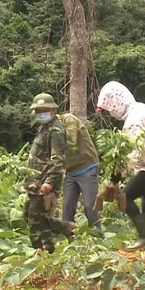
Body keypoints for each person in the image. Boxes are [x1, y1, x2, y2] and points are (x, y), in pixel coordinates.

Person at [96, 81, 145, 255]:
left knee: (124, 196)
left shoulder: (131, 123)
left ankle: (144, 235)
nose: (112, 114)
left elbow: (130, 158)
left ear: (117, 103)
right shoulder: (141, 108)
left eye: (110, 109)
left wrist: (114, 180)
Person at [22, 93, 73, 254]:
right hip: (34, 183)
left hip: (44, 183)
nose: (40, 113)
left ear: (53, 110)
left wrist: (49, 182)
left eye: (44, 110)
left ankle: (43, 253)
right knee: (31, 216)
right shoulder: (44, 128)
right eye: (37, 110)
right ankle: (66, 227)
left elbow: (58, 159)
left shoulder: (56, 130)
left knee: (35, 221)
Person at [58, 112, 102, 233]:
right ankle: (68, 237)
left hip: (87, 167)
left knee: (89, 206)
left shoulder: (68, 119)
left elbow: (71, 141)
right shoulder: (48, 131)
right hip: (71, 171)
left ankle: (98, 235)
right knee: (67, 206)